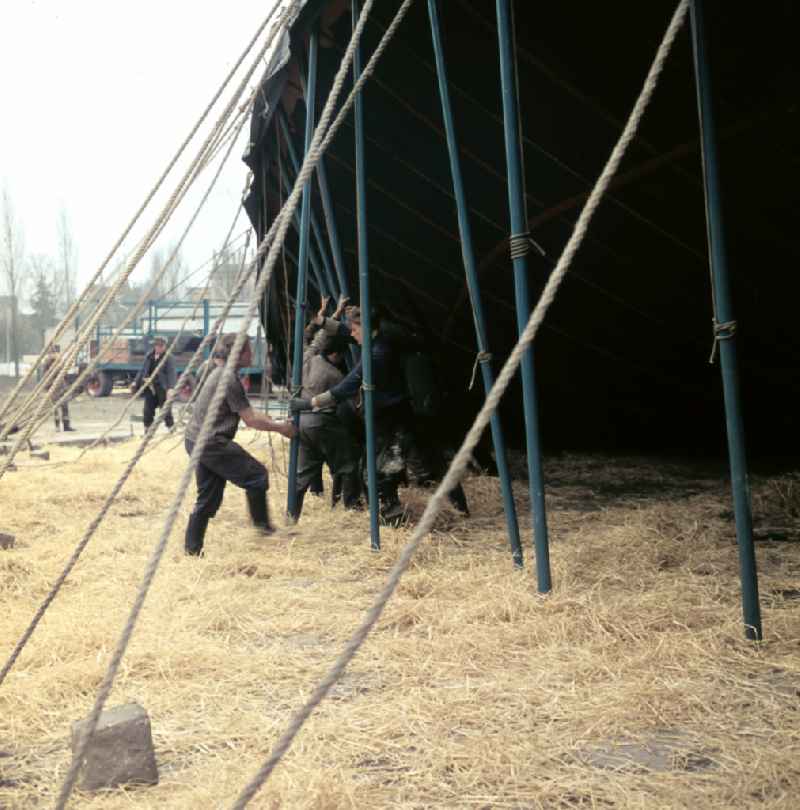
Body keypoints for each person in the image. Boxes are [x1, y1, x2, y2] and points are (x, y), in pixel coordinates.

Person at [297, 306, 469, 525]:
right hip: (389, 416)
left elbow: (347, 386)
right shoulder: (376, 339)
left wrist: (310, 402)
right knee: (401, 466)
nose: (352, 333)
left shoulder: (377, 354)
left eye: (355, 329)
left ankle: (398, 516)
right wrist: (318, 319)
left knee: (387, 471)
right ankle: (399, 514)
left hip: (396, 418)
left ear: (367, 328)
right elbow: (344, 331)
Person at [183, 333, 296, 556]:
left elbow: (249, 411)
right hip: (211, 443)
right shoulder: (229, 379)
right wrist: (283, 428)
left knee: (207, 499)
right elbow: (251, 419)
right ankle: (264, 531)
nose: (252, 355)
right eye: (248, 350)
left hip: (195, 439)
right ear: (239, 354)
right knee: (257, 476)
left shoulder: (221, 373)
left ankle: (192, 550)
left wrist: (276, 422)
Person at [289, 296, 361, 522]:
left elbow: (318, 339)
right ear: (337, 355)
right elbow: (345, 401)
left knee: (301, 477)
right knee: (348, 465)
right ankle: (350, 509)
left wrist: (335, 313)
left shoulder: (307, 358)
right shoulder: (336, 375)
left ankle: (291, 518)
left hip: (300, 423)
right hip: (323, 423)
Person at [131, 336, 176, 430]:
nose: (159, 348)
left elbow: (171, 373)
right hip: (150, 387)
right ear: (155, 346)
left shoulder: (168, 358)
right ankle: (148, 429)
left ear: (164, 346)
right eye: (157, 346)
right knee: (147, 410)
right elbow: (143, 370)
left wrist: (171, 388)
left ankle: (171, 428)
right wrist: (135, 382)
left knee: (166, 410)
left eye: (161, 346)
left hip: (162, 387)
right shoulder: (149, 356)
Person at [41, 344, 74, 431]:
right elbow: (45, 376)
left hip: (60, 385)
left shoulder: (59, 361)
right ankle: (57, 426)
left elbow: (64, 372)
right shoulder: (47, 362)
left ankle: (66, 426)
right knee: (55, 407)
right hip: (53, 386)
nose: (55, 354)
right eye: (54, 352)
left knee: (64, 406)